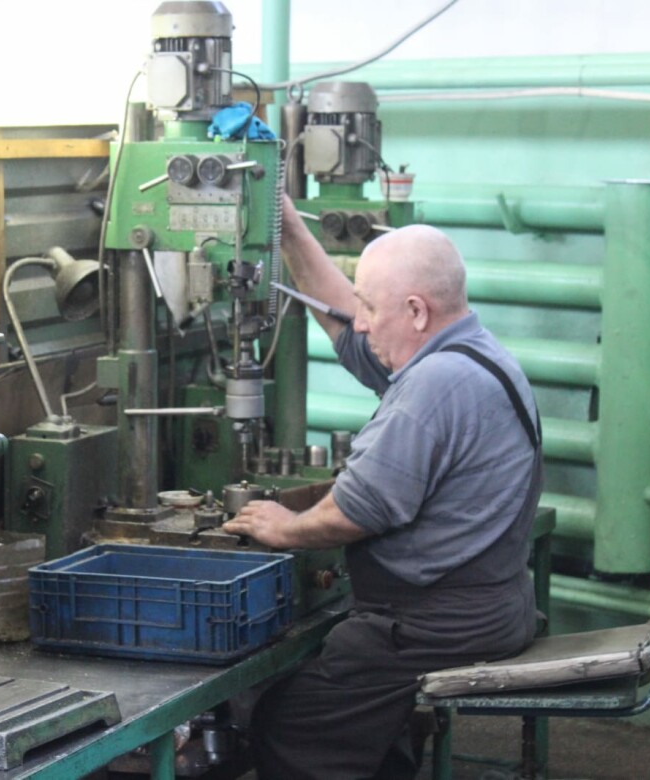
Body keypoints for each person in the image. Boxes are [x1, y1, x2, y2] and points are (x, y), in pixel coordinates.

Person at [222, 195, 543, 780]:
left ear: (416, 311)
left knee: (288, 724)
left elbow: (358, 511)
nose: (362, 321)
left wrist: (287, 528)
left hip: (434, 626)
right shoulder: (470, 351)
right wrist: (288, 230)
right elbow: (348, 331)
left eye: (370, 306)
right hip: (489, 607)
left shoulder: (436, 385)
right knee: (362, 720)